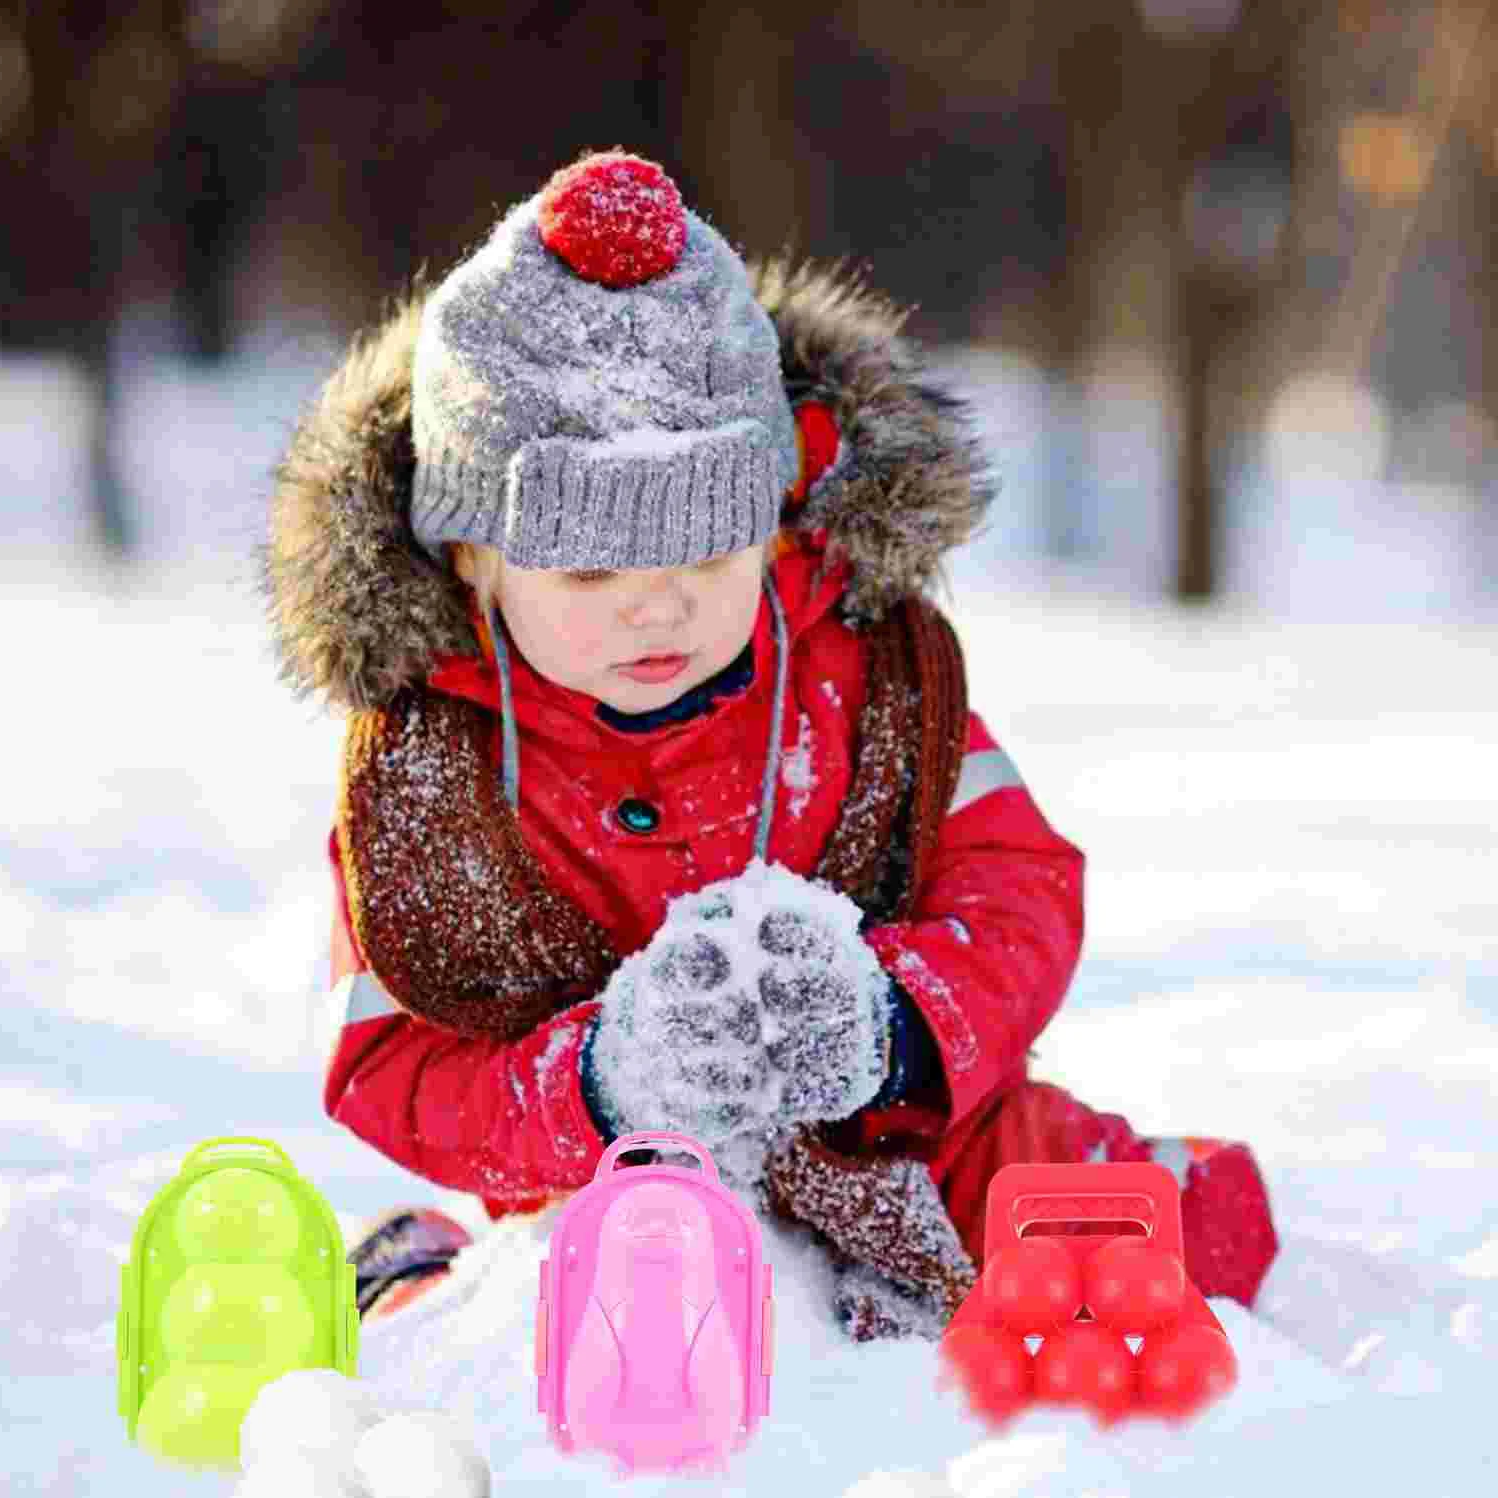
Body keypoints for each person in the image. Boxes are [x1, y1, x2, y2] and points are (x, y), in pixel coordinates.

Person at [260, 151, 1278, 1339]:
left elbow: (1020, 886)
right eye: (590, 569)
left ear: (776, 514)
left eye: (707, 556)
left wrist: (898, 1025)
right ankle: (434, 1274)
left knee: (1181, 1241)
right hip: (595, 1183)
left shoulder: (860, 670)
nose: (658, 606)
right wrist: (599, 1082)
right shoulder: (436, 771)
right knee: (561, 1314)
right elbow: (385, 1062)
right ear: (471, 558)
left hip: (905, 1137)